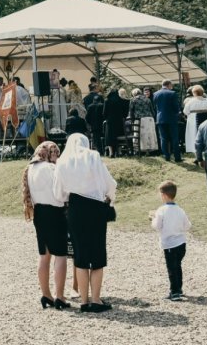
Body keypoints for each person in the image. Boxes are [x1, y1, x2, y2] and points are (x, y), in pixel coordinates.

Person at [53, 133, 117, 313]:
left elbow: (58, 193)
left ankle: (83, 300)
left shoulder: (63, 162)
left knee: (80, 255)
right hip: (96, 208)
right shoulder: (93, 157)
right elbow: (110, 183)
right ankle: (96, 300)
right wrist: (110, 199)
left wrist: (67, 199)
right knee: (97, 254)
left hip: (75, 208)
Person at [20, 141, 69, 310]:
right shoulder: (51, 169)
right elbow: (61, 193)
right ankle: (60, 296)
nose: (56, 156)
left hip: (39, 213)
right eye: (54, 153)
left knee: (44, 255)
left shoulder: (31, 168)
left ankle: (46, 293)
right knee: (60, 255)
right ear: (48, 153)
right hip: (55, 212)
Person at [150, 180, 190, 301]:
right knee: (177, 266)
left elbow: (157, 226)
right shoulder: (180, 210)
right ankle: (179, 289)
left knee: (172, 268)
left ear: (164, 195)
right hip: (181, 244)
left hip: (169, 245)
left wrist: (152, 218)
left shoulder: (161, 210)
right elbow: (187, 226)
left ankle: (175, 292)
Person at [153, 80, 183, 162]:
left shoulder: (155, 94)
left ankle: (167, 156)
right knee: (174, 138)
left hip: (160, 118)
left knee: (163, 138)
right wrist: (178, 112)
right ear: (169, 85)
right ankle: (177, 157)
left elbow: (154, 107)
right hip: (171, 118)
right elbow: (176, 107)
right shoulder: (172, 93)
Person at [183, 85, 207, 163]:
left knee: (195, 137)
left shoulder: (191, 101)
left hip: (193, 119)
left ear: (194, 93)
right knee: (206, 137)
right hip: (205, 118)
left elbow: (185, 111)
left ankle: (198, 157)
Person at [103, 87, 130, 157]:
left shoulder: (107, 101)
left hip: (110, 122)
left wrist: (107, 118)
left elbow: (104, 113)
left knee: (109, 137)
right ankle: (120, 151)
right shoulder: (121, 101)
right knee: (119, 135)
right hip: (120, 122)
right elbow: (125, 113)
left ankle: (111, 153)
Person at [129, 87, 157, 153]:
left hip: (140, 119)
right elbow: (152, 110)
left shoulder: (133, 100)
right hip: (149, 118)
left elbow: (131, 111)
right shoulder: (147, 99)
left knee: (140, 135)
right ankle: (150, 150)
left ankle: (139, 149)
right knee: (149, 135)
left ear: (134, 94)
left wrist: (132, 120)